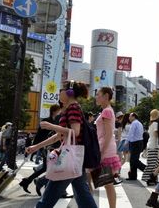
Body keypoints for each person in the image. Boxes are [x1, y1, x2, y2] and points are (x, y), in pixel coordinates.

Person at [26, 80, 97, 208]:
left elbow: (74, 132)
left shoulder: (73, 108)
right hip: (73, 157)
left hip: (68, 157)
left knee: (47, 200)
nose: (59, 92)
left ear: (69, 92)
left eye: (61, 90)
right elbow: (59, 136)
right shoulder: (69, 108)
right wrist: (36, 147)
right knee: (83, 197)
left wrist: (51, 126)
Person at [19, 104, 61, 194]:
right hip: (46, 147)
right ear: (54, 111)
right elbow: (38, 135)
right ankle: (39, 183)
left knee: (46, 168)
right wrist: (35, 147)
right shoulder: (46, 121)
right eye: (59, 110)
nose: (60, 112)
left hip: (52, 148)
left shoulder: (56, 121)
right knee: (50, 168)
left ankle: (29, 181)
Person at [95, 87, 122, 208]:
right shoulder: (108, 110)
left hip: (105, 149)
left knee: (108, 183)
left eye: (98, 95)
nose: (96, 97)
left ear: (106, 96)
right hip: (105, 147)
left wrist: (101, 152)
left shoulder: (106, 111)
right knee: (107, 183)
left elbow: (107, 134)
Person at [142, 109, 159, 186]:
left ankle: (152, 178)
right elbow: (156, 134)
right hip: (154, 145)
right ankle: (148, 178)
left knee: (153, 163)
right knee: (154, 163)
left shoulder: (151, 124)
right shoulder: (156, 124)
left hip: (151, 145)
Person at [126, 112, 147, 180]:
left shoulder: (134, 123)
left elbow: (130, 133)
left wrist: (126, 142)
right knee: (133, 160)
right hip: (138, 142)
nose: (129, 117)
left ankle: (147, 170)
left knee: (134, 160)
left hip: (135, 143)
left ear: (134, 116)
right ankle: (133, 176)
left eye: (130, 116)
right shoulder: (139, 123)